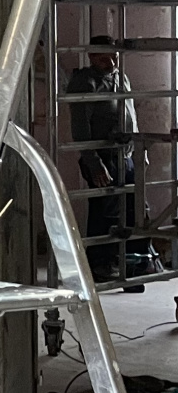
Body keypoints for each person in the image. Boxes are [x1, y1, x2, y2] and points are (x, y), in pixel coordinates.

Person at [66, 34, 137, 281]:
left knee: (130, 208)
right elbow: (80, 127)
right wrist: (94, 163)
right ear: (92, 57)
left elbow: (131, 113)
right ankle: (98, 264)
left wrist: (139, 152)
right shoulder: (84, 83)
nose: (112, 63)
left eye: (114, 57)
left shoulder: (121, 77)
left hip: (125, 153)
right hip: (102, 155)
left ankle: (126, 261)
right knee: (105, 210)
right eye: (105, 58)